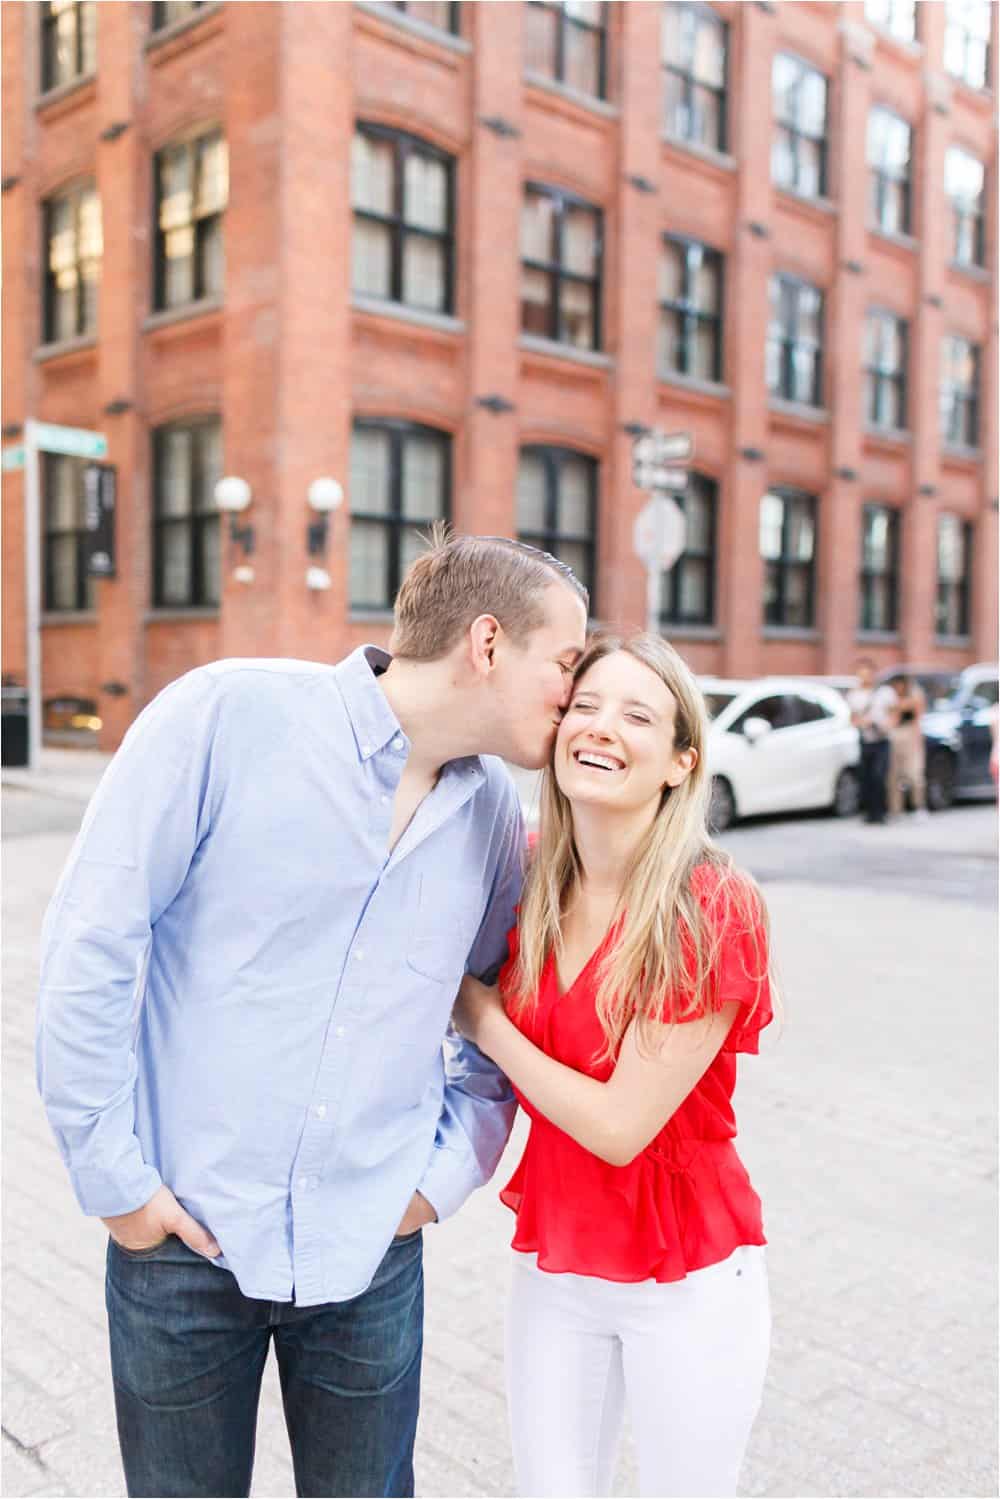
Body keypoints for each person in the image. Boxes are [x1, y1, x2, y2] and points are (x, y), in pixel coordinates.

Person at [36, 531, 588, 1499]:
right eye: (569, 661)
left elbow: (496, 1019)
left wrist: (436, 1181)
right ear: (488, 644)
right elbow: (90, 940)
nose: (575, 693)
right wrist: (113, 1179)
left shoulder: (494, 815)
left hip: (370, 1260)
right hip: (181, 1250)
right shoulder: (225, 717)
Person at [454, 632, 775, 1499]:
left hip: (687, 1274)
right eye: (585, 706)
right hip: (557, 1264)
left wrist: (482, 1018)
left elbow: (619, 1125)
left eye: (636, 714)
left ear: (679, 762)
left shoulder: (711, 903)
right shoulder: (530, 878)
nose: (599, 728)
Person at [846, 658, 899, 824]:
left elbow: (895, 713)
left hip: (882, 739)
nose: (864, 677)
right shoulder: (853, 695)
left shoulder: (885, 693)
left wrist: (888, 726)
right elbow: (852, 718)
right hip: (865, 739)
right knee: (866, 776)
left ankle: (881, 812)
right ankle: (869, 812)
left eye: (867, 673)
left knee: (879, 776)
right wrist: (861, 723)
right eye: (861, 674)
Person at [887, 672, 928, 820]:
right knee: (894, 775)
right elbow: (892, 718)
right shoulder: (890, 697)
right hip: (895, 734)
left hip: (910, 734)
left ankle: (918, 806)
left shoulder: (914, 695)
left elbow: (917, 715)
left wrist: (918, 739)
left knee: (915, 773)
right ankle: (896, 809)